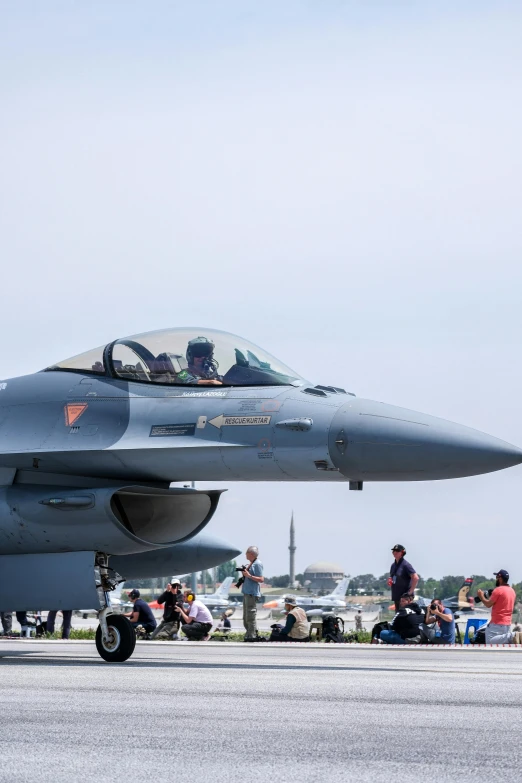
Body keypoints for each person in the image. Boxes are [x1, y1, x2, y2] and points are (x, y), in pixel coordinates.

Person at [478, 570, 516, 645]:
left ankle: (512, 636)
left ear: (500, 578)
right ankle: (510, 636)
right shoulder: (512, 591)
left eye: (497, 577)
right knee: (502, 648)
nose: (496, 579)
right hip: (507, 624)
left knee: (490, 642)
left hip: (497, 623)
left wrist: (481, 597)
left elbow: (488, 604)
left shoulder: (498, 590)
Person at [241, 545, 264, 642]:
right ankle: (250, 633)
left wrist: (249, 576)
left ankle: (251, 635)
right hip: (247, 593)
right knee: (246, 616)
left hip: (251, 594)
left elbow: (261, 579)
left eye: (247, 552)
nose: (245, 554)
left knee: (250, 615)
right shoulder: (251, 563)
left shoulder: (257, 564)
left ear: (251, 554)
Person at [388, 545, 419, 611]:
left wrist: (410, 591)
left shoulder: (406, 565)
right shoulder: (393, 565)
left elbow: (415, 578)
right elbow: (392, 577)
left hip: (405, 597)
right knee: (398, 617)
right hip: (397, 596)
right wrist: (390, 580)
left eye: (397, 551)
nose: (394, 552)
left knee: (404, 616)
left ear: (402, 553)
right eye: (393, 551)